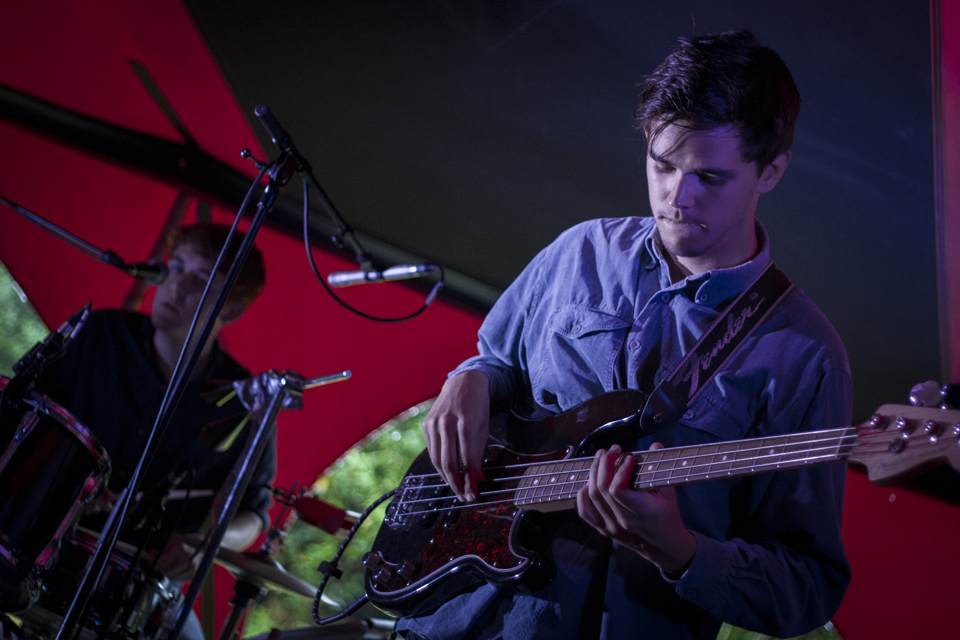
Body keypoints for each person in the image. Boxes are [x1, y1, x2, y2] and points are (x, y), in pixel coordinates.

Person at [402, 30, 852, 640]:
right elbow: (497, 363)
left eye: (709, 178)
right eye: (662, 165)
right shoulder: (579, 250)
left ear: (770, 170)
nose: (676, 197)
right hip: (457, 616)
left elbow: (807, 587)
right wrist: (469, 378)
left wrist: (683, 552)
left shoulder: (805, 354)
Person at [28, 222, 277, 637]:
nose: (176, 284)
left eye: (201, 278)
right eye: (176, 266)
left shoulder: (246, 399)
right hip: (43, 546)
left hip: (140, 588)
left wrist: (204, 545)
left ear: (231, 310)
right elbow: (25, 421)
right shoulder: (98, 334)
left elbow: (255, 515)